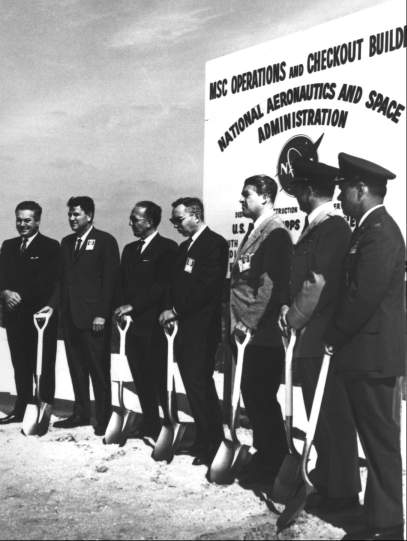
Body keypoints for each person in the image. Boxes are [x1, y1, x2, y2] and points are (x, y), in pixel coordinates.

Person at [325, 153, 405, 540]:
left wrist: (334, 334)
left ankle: (388, 526)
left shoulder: (380, 232)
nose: (340, 196)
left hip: (374, 356)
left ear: (361, 189)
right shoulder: (367, 229)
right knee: (373, 442)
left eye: (344, 189)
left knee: (381, 442)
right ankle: (377, 517)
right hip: (364, 355)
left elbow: (363, 296)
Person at [279, 158, 360, 510]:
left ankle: (342, 492)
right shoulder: (316, 226)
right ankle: (328, 482)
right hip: (311, 336)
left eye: (298, 189)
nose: (296, 195)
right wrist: (289, 309)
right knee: (319, 415)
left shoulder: (332, 228)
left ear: (309, 190)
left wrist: (293, 317)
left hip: (323, 337)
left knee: (331, 415)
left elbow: (318, 282)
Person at [229, 175, 292, 489]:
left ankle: (274, 462)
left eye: (247, 195)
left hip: (260, 333)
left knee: (261, 398)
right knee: (253, 398)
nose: (242, 200)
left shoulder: (275, 233)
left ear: (266, 197)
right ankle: (266, 455)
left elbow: (269, 286)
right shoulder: (255, 229)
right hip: (245, 331)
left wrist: (249, 322)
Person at [159, 197, 228, 466]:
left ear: (196, 216)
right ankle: (202, 437)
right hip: (183, 330)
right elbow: (173, 284)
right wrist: (169, 309)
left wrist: (177, 311)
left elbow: (208, 287)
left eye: (178, 219)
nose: (175, 224)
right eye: (172, 220)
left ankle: (214, 442)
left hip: (202, 329)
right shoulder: (184, 247)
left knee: (201, 385)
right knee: (191, 385)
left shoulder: (214, 244)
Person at [53, 196, 120, 436]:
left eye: (76, 214)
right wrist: (55, 308)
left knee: (98, 370)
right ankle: (80, 413)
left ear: (89, 215)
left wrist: (102, 314)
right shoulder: (66, 242)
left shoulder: (105, 241)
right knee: (77, 368)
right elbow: (62, 280)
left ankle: (104, 417)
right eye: (70, 214)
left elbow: (110, 282)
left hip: (94, 320)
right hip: (70, 317)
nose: (71, 218)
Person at [114, 201, 178, 439]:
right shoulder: (129, 250)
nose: (130, 223)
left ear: (149, 221)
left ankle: (170, 421)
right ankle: (150, 421)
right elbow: (122, 284)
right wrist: (122, 309)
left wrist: (134, 306)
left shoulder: (167, 248)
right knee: (139, 375)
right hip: (131, 325)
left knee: (160, 376)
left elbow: (162, 286)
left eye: (135, 219)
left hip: (155, 325)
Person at [0, 201, 59, 424]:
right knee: (20, 363)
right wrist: (5, 293)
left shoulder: (50, 246)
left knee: (43, 363)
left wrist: (22, 296)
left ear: (37, 221)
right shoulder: (8, 245)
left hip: (40, 317)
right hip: (15, 317)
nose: (22, 224)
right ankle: (21, 407)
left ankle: (44, 407)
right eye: (19, 220)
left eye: (27, 220)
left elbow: (50, 282)